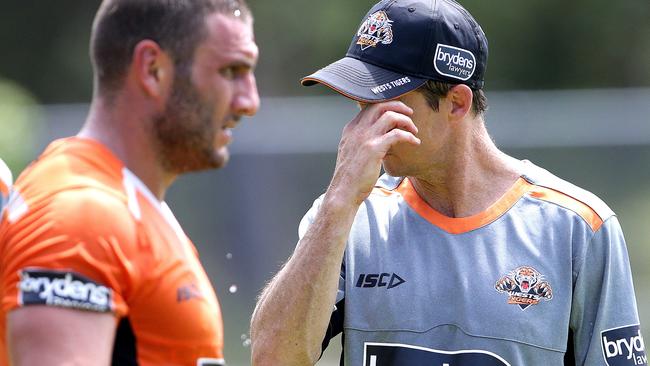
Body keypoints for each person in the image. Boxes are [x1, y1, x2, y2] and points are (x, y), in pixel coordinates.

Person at [250, 0, 645, 365]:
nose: (361, 130)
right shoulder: (346, 215)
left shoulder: (580, 227)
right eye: (359, 106)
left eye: (381, 104)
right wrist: (338, 201)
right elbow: (272, 358)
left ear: (457, 102)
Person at [0, 0, 259, 365]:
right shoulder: (80, 214)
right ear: (153, 69)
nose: (250, 101)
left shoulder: (127, 201)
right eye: (232, 71)